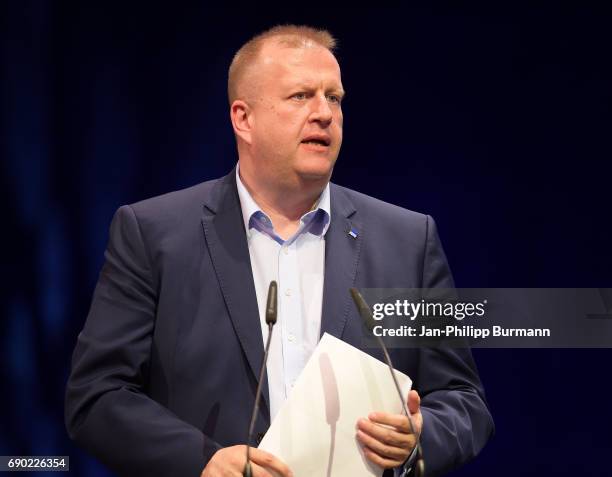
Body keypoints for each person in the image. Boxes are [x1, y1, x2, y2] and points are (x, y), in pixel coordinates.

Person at [65, 25, 494, 477]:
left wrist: (418, 437)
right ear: (243, 119)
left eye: (335, 98)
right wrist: (201, 461)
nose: (324, 114)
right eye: (300, 96)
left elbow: (464, 402)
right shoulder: (154, 235)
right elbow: (97, 395)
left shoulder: (407, 240)